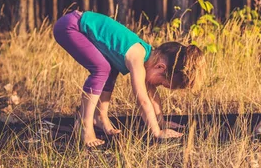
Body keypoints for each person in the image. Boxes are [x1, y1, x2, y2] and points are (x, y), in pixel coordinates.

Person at [53, 10, 205, 147]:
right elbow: (142, 99)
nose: (156, 86)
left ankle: (99, 116)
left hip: (78, 24)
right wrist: (156, 132)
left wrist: (161, 121)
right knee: (101, 68)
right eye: (161, 83)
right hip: (71, 26)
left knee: (111, 69)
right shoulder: (137, 57)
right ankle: (84, 124)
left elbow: (152, 95)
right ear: (161, 67)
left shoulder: (149, 58)